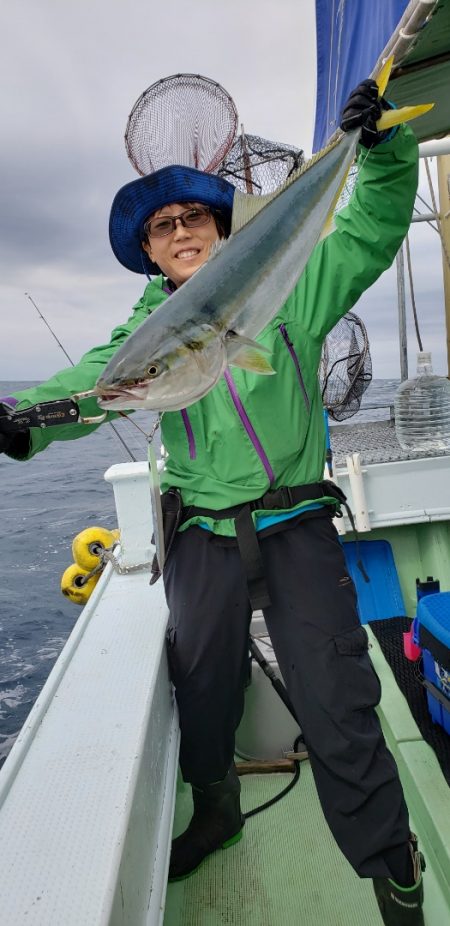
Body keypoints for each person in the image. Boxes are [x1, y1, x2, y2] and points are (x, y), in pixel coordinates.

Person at [1, 81, 425, 925]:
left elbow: (370, 234)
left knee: (337, 703)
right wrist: (21, 424)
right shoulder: (142, 338)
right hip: (198, 529)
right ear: (151, 254)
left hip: (294, 517)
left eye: (196, 216)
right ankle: (219, 812)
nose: (182, 231)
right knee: (203, 696)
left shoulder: (290, 290)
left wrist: (382, 152)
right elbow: (90, 385)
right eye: (165, 227)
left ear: (223, 229)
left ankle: (393, 866)